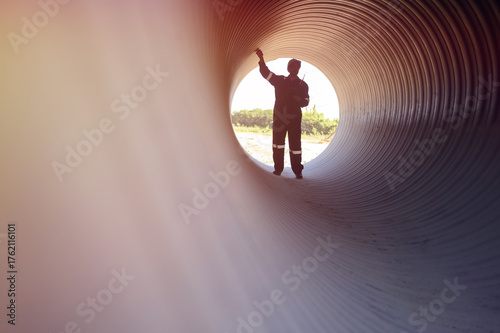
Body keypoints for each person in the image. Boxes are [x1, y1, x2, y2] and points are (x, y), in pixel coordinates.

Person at [255, 48, 309, 179]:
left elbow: (306, 102)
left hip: (295, 119)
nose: (294, 68)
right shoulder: (280, 80)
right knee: (278, 144)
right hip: (280, 118)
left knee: (295, 145)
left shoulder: (303, 85)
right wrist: (261, 58)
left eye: (297, 66)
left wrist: (300, 100)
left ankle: (297, 171)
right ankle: (278, 169)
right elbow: (265, 73)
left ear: (299, 69)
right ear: (288, 68)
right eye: (292, 66)